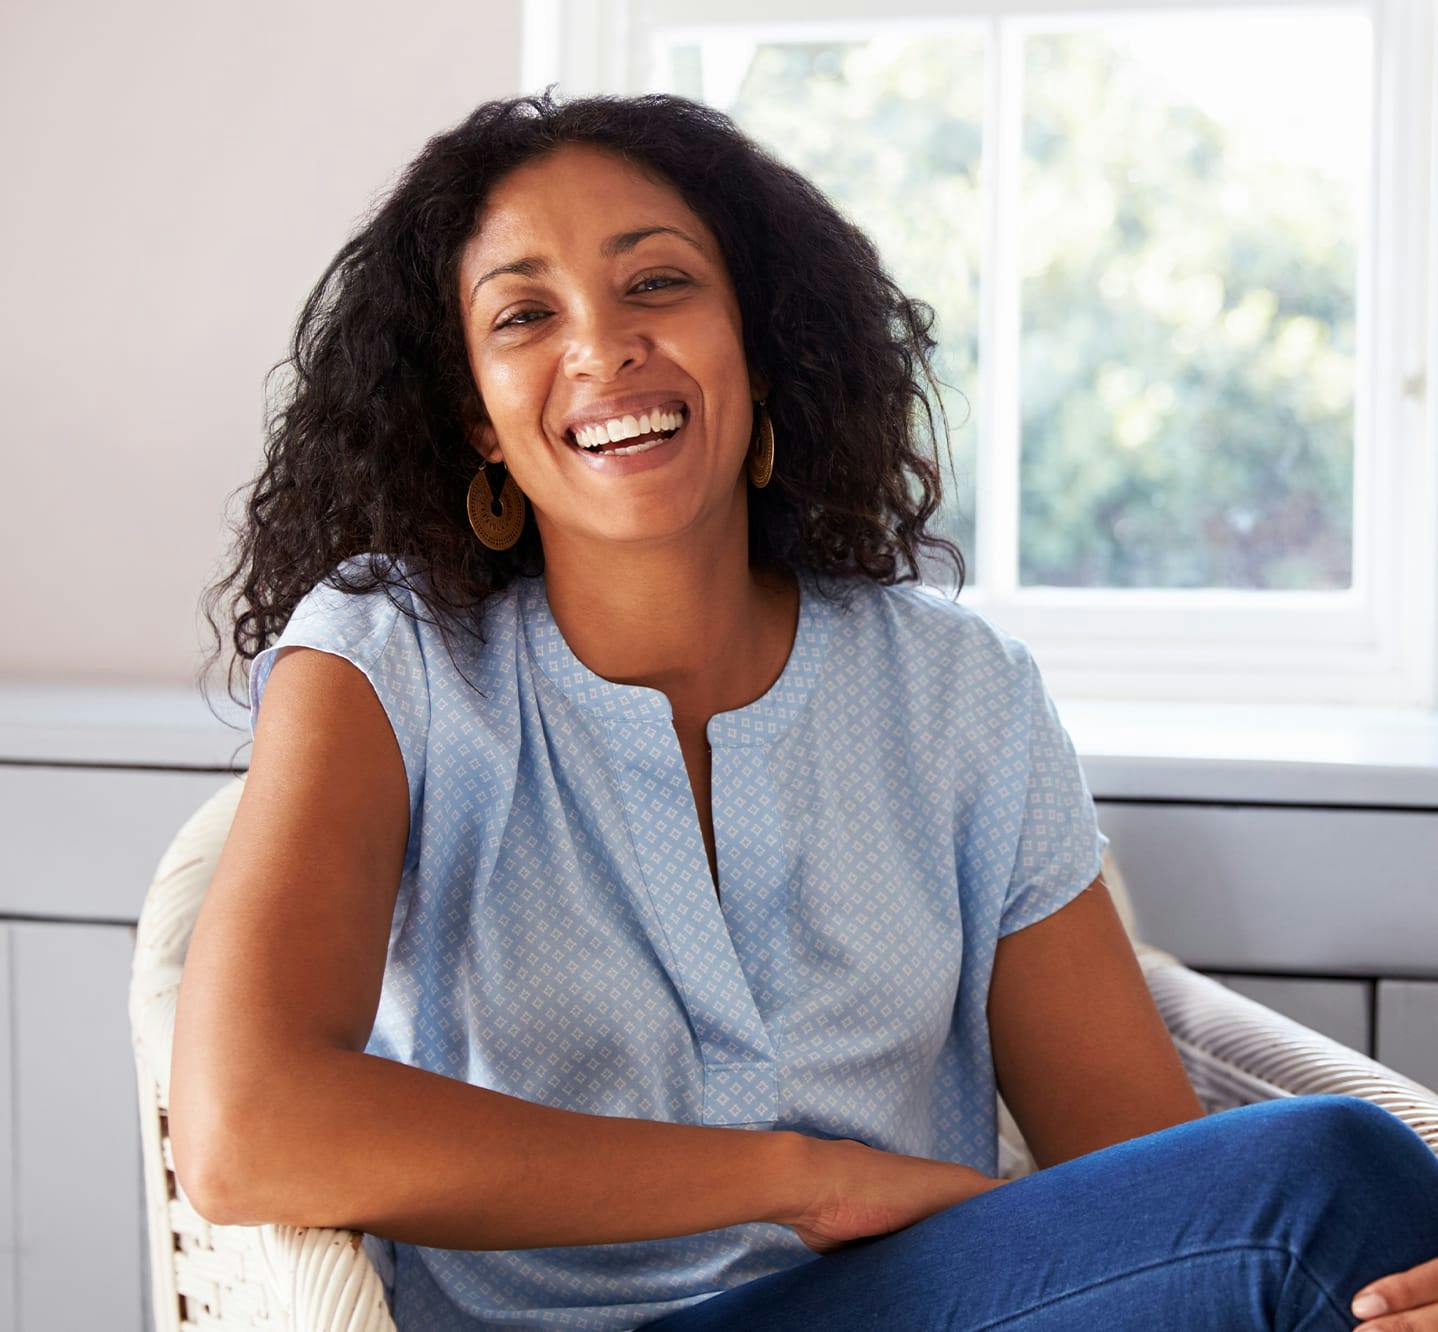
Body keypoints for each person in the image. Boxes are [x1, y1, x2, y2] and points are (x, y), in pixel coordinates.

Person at [175, 88, 1438, 1331]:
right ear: (477, 420)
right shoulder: (387, 658)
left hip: (940, 1304)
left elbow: (1155, 1177)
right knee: (1335, 1180)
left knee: (1351, 1222)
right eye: (522, 314)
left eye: (656, 284)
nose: (602, 347)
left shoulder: (954, 693)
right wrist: (800, 1177)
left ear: (762, 342)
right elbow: (245, 1127)